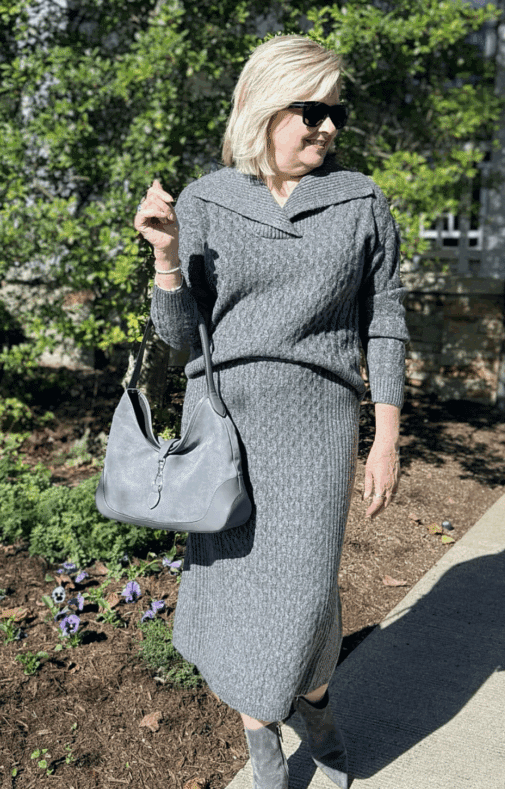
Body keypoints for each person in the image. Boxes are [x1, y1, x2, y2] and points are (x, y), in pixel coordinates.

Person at [134, 34, 409, 789]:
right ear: (264, 107)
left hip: (317, 427)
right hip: (223, 425)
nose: (327, 127)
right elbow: (182, 334)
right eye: (310, 110)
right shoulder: (207, 199)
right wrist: (164, 259)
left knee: (305, 590)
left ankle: (313, 704)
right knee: (236, 593)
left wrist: (385, 436)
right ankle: (265, 745)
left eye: (335, 112)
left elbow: (384, 321)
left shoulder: (359, 200)